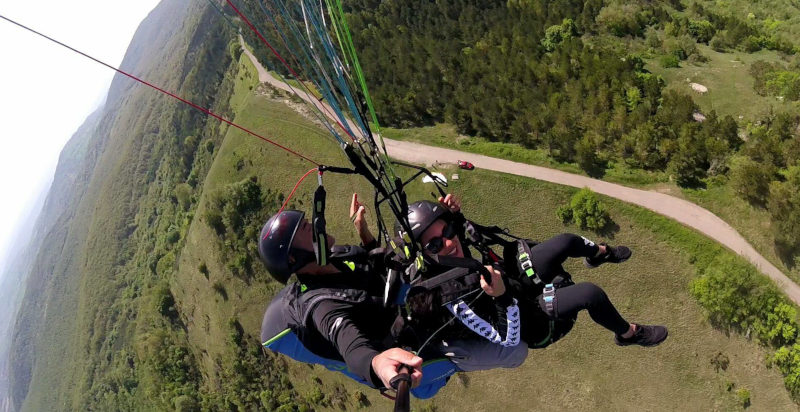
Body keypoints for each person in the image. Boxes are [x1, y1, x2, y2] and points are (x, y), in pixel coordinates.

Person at [257, 207, 526, 399]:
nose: (318, 225)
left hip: (410, 305)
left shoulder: (336, 256)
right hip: (414, 342)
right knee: (516, 351)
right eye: (307, 229)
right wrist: (376, 364)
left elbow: (373, 268)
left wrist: (365, 234)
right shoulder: (321, 307)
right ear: (294, 258)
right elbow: (351, 346)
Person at [354, 195, 668, 349]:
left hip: (513, 280)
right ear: (425, 256)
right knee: (591, 294)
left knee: (566, 241)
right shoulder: (447, 296)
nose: (449, 242)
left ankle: (600, 254)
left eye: (447, 230)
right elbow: (507, 339)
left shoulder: (449, 245)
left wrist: (456, 215)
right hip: (531, 317)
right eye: (435, 244)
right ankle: (629, 334)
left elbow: (391, 263)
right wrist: (503, 298)